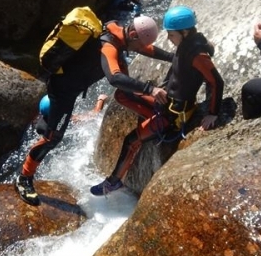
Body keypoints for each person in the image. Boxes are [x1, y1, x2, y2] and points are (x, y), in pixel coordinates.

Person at [15, 15, 173, 205]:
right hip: (63, 91)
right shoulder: (109, 47)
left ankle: (158, 118)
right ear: (132, 34)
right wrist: (150, 89)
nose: (140, 50)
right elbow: (114, 78)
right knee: (53, 138)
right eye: (138, 45)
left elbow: (144, 47)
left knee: (124, 94)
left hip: (74, 82)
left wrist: (172, 57)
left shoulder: (117, 30)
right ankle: (23, 178)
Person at [90, 5, 224, 196]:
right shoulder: (186, 44)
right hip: (167, 102)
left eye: (171, 35)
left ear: (184, 32)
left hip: (174, 115)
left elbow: (216, 81)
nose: (169, 39)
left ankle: (113, 182)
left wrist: (213, 113)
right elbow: (157, 53)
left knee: (131, 140)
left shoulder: (196, 54)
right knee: (122, 94)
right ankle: (150, 115)